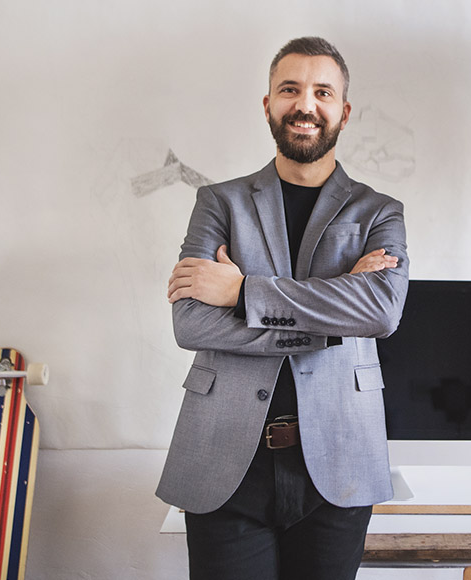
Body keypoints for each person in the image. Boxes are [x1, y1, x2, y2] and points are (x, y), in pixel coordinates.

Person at [158, 36, 409, 580]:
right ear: (268, 104)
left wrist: (244, 292)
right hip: (226, 460)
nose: (305, 104)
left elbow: (382, 312)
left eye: (322, 91)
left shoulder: (379, 212)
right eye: (290, 89)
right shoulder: (218, 203)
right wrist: (334, 312)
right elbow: (192, 321)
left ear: (343, 111)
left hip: (340, 455)